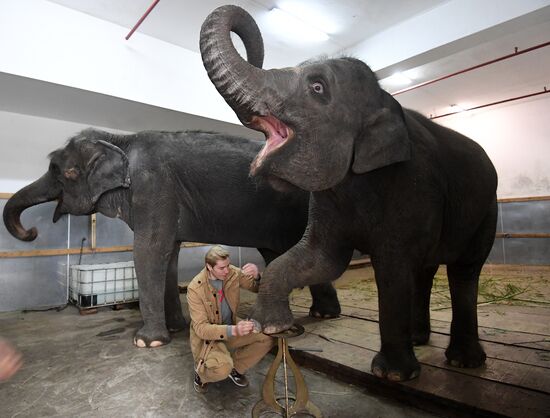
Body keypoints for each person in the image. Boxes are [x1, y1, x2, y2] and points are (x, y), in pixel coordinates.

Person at [187, 245, 274, 393]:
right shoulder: (195, 288)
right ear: (209, 266)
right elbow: (201, 329)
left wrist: (258, 276)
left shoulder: (232, 273)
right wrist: (234, 330)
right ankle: (201, 376)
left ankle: (237, 369)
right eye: (222, 268)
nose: (227, 271)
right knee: (222, 369)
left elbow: (257, 288)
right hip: (208, 337)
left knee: (267, 338)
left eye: (228, 265)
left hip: (231, 327)